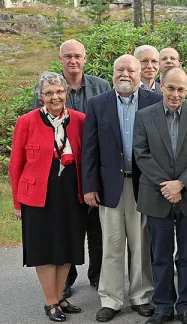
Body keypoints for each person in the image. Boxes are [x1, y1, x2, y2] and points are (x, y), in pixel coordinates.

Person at [82, 54, 162, 322]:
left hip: (144, 183)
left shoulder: (155, 101)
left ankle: (141, 296)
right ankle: (111, 299)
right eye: (120, 69)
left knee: (141, 244)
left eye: (131, 69)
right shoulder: (97, 104)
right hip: (110, 186)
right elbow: (90, 149)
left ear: (141, 75)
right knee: (112, 244)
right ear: (113, 73)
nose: (125, 74)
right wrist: (89, 186)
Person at [133, 67, 187, 324]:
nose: (175, 94)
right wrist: (167, 186)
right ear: (161, 86)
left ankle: (186, 306)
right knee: (161, 256)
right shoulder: (144, 116)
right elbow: (141, 154)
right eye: (171, 88)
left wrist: (182, 184)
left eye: (181, 89)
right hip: (157, 196)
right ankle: (164, 306)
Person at [32, 39, 110, 298]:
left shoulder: (101, 86)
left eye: (77, 55)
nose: (73, 60)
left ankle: (98, 275)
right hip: (63, 173)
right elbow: (40, 127)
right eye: (68, 56)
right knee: (68, 228)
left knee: (96, 229)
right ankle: (67, 278)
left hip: (96, 167)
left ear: (85, 58)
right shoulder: (48, 87)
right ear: (60, 58)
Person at [10, 72, 85, 322]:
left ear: (66, 93)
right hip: (37, 195)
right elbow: (15, 164)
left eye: (59, 91)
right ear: (40, 96)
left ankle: (61, 298)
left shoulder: (79, 120)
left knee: (67, 246)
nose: (55, 97)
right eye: (49, 93)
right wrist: (17, 202)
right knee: (44, 248)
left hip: (70, 193)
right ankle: (50, 300)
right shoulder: (27, 121)